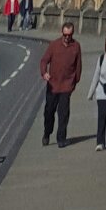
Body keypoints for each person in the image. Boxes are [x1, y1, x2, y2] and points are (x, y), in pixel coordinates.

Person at [40, 18, 82, 146]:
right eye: (65, 35)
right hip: (53, 85)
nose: (67, 37)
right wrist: (44, 72)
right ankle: (47, 133)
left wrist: (74, 82)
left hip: (66, 86)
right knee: (49, 112)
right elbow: (44, 60)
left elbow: (78, 66)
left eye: (69, 35)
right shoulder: (54, 45)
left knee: (63, 114)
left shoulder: (76, 46)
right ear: (62, 33)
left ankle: (61, 139)